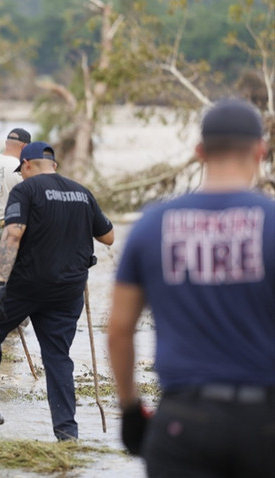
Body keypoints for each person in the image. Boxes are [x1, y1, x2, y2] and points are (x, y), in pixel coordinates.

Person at [107, 99, 275, 477]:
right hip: (265, 422)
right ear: (260, 151)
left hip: (184, 420)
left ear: (199, 153)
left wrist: (130, 408)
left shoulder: (152, 226)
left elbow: (119, 330)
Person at [0, 141, 115, 441]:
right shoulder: (82, 193)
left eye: (22, 170)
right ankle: (67, 431)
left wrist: (1, 284)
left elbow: (13, 235)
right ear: (53, 165)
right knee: (57, 356)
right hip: (68, 289)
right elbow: (108, 236)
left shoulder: (25, 190)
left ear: (27, 165)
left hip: (26, 284)